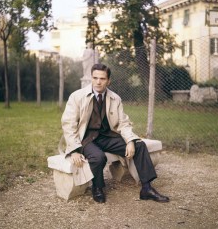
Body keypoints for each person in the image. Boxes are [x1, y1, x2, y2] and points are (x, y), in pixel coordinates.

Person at [61, 63, 169, 203]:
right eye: (95, 78)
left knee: (139, 145)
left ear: (108, 80)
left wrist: (130, 141)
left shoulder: (115, 98)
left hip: (107, 136)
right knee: (98, 157)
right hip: (86, 139)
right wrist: (75, 150)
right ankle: (98, 187)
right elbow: (69, 124)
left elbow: (123, 123)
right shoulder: (77, 96)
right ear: (91, 78)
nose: (98, 82)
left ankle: (146, 188)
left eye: (102, 79)